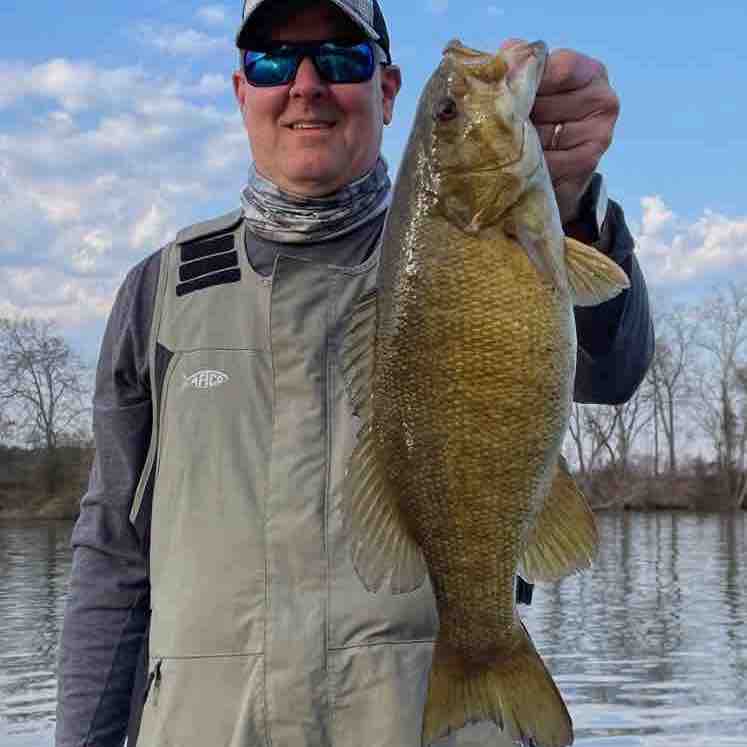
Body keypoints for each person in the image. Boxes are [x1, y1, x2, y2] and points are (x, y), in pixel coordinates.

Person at [55, 1, 654, 745]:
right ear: (242, 90)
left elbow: (614, 365)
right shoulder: (159, 291)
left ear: (389, 90)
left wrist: (566, 207)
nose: (306, 84)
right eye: (275, 60)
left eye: (341, 58)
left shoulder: (481, 240)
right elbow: (113, 554)